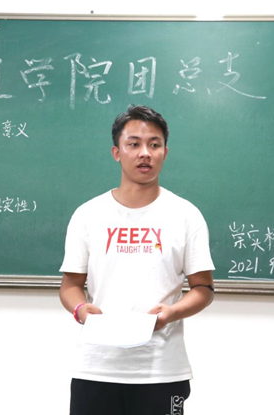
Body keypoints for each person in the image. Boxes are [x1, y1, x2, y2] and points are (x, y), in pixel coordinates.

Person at [59, 105, 215, 415]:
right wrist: (81, 310)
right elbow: (70, 286)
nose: (145, 153)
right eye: (134, 144)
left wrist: (172, 312)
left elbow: (204, 289)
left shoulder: (186, 215)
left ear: (165, 153)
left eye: (154, 145)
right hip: (96, 368)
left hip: (161, 371)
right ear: (116, 152)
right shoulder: (88, 215)